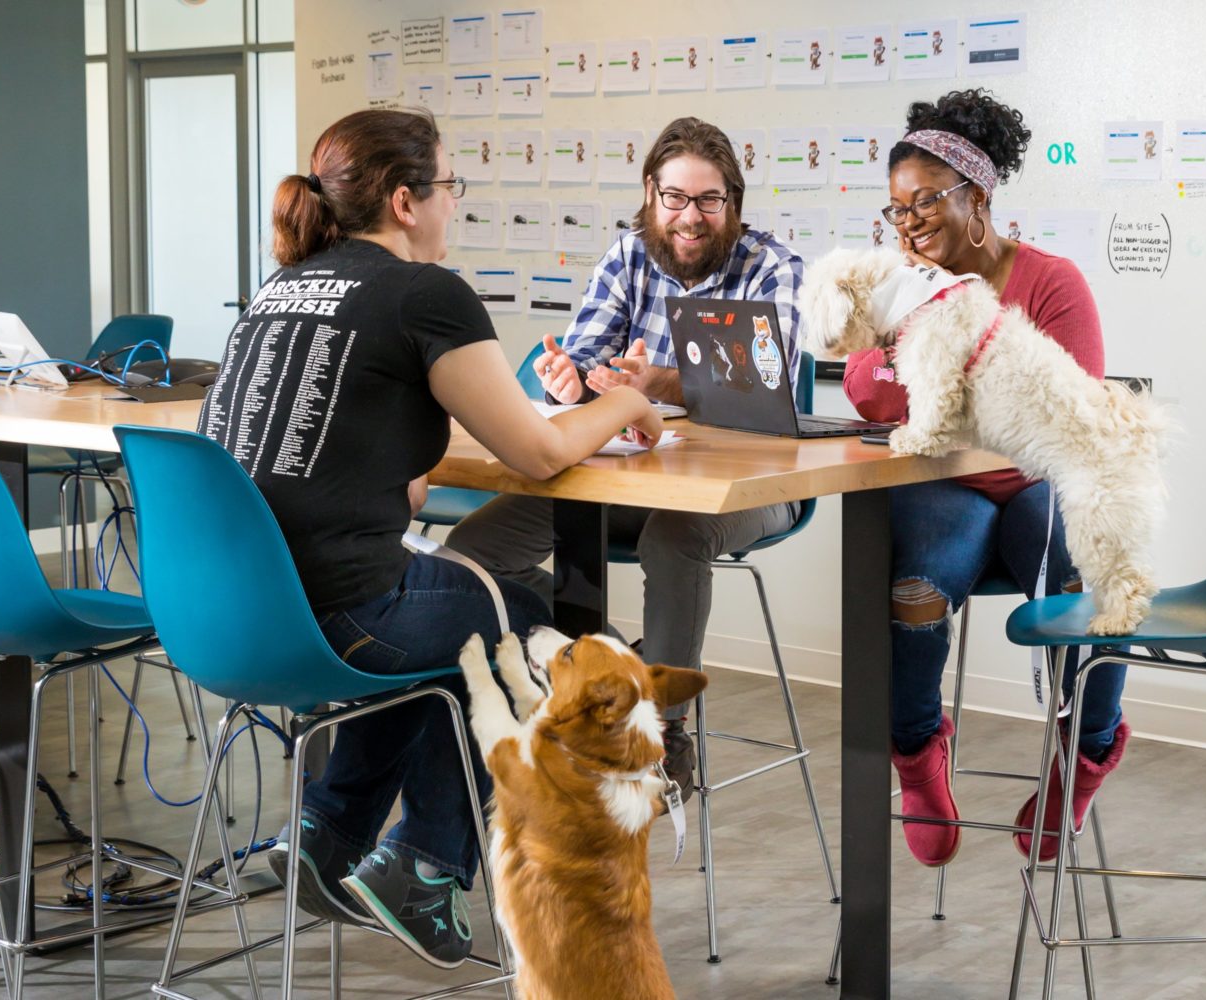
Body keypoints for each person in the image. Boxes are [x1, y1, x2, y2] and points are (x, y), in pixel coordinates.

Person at [202, 108, 661, 968]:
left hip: (226, 616)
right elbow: (539, 450)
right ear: (406, 201)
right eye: (451, 186)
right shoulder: (424, 293)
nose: (456, 205)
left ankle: (329, 833)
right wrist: (634, 404)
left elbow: (377, 474)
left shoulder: (284, 288)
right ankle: (421, 863)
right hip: (336, 611)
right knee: (520, 629)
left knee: (454, 619)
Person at [445, 117, 805, 801]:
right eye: (675, 199)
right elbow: (586, 362)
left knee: (677, 534)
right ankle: (622, 671)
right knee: (473, 551)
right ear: (650, 193)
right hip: (619, 477)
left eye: (709, 201)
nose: (690, 218)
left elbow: (760, 385)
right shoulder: (628, 254)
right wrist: (569, 381)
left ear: (734, 202)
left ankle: (665, 733)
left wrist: (656, 381)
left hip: (750, 488)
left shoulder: (774, 267)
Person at [843, 89, 1130, 868]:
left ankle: (1087, 756)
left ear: (979, 196)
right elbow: (866, 388)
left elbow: (1070, 411)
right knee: (914, 587)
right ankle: (916, 756)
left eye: (926, 202)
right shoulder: (909, 285)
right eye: (897, 209)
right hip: (951, 489)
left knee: (1092, 565)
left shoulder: (1051, 281)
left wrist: (949, 396)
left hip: (1039, 483)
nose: (910, 224)